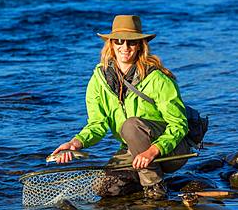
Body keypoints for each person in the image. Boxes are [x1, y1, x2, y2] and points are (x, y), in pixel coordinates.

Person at [52, 15, 191, 200]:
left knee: (130, 125)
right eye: (119, 41)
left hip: (172, 151)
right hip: (133, 150)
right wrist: (75, 143)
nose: (125, 47)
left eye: (132, 42)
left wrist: (153, 151)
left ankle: (155, 187)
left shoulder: (158, 79)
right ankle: (140, 179)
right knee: (104, 188)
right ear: (111, 44)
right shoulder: (98, 80)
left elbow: (179, 125)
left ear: (141, 45)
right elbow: (97, 124)